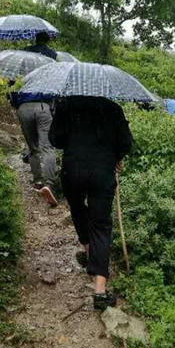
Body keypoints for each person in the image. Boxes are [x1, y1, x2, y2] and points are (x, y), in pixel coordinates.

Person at [49, 97, 133, 311]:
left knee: (77, 210)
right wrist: (117, 156)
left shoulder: (66, 105)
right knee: (101, 225)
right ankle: (100, 291)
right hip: (102, 172)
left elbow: (55, 139)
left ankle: (88, 251)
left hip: (73, 170)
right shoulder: (112, 108)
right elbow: (126, 143)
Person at [9, 88, 58, 206]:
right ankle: (49, 184)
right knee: (47, 147)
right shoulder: (47, 72)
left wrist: (17, 104)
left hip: (24, 108)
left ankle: (38, 181)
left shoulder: (20, 74)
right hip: (43, 106)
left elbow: (11, 94)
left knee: (32, 148)